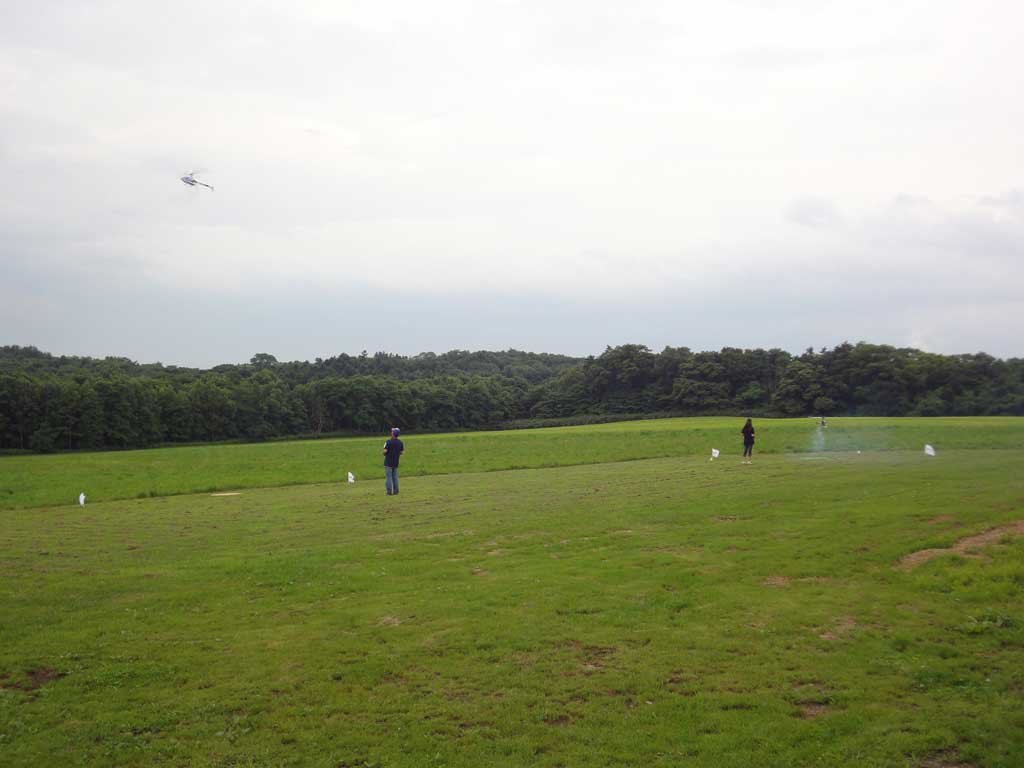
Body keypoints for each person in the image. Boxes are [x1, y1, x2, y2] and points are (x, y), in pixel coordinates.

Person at [383, 427, 404, 495]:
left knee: (388, 478)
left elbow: (385, 451)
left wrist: (385, 454)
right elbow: (401, 452)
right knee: (395, 477)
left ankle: (389, 492)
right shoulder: (400, 442)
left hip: (388, 462)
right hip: (396, 462)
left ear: (393, 434)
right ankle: (396, 491)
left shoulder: (388, 442)